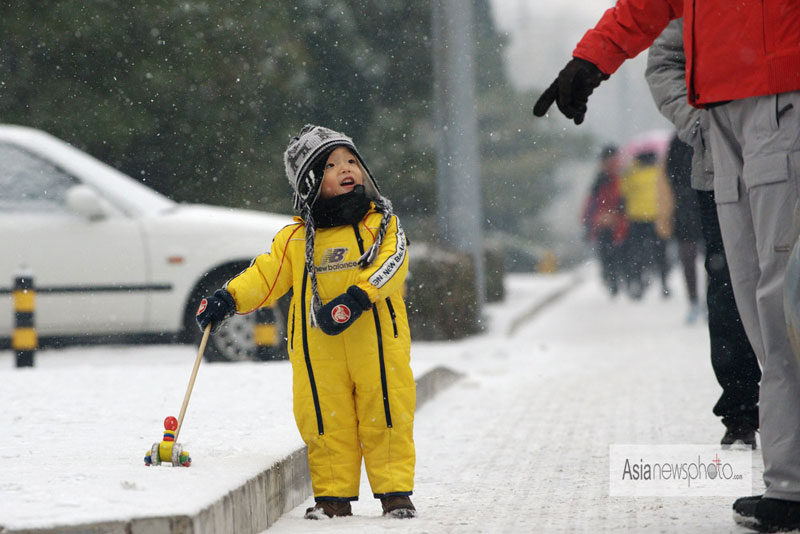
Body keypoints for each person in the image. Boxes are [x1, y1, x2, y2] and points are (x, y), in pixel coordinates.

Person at [532, 2, 800, 531]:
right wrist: (590, 61)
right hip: (721, 118)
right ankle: (789, 484)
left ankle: (791, 484)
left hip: (782, 100)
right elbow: (645, 8)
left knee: (783, 298)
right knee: (755, 299)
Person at [195, 125, 417, 520]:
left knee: (386, 412)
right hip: (319, 351)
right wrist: (227, 298)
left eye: (351, 161)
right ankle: (333, 497)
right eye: (331, 166)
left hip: (377, 344)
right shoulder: (296, 240)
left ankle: (394, 492)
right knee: (324, 419)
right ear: (312, 183)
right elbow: (264, 276)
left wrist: (358, 295)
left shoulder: (381, 224)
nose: (347, 169)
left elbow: (393, 262)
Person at [645, 19, 761, 451]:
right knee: (729, 285)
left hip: (787, 158)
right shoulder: (701, 11)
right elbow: (663, 60)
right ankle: (740, 408)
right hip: (719, 172)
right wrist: (699, 125)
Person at [618, 151, 671, 299]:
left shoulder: (631, 172)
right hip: (656, 217)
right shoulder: (660, 171)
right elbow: (666, 192)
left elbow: (624, 192)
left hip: (636, 218)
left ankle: (638, 282)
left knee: (637, 252)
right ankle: (664, 283)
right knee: (661, 251)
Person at [663, 133, 703, 323]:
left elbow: (669, 173)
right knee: (701, 257)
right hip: (695, 204)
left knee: (706, 258)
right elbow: (669, 174)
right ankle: (697, 301)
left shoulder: (679, 140)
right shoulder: (679, 140)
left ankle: (699, 301)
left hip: (693, 205)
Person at [581, 144, 628, 296]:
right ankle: (611, 278)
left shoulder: (621, 176)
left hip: (618, 222)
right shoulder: (601, 179)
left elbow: (624, 197)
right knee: (606, 253)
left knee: (617, 252)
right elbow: (592, 202)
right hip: (603, 223)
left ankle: (616, 278)